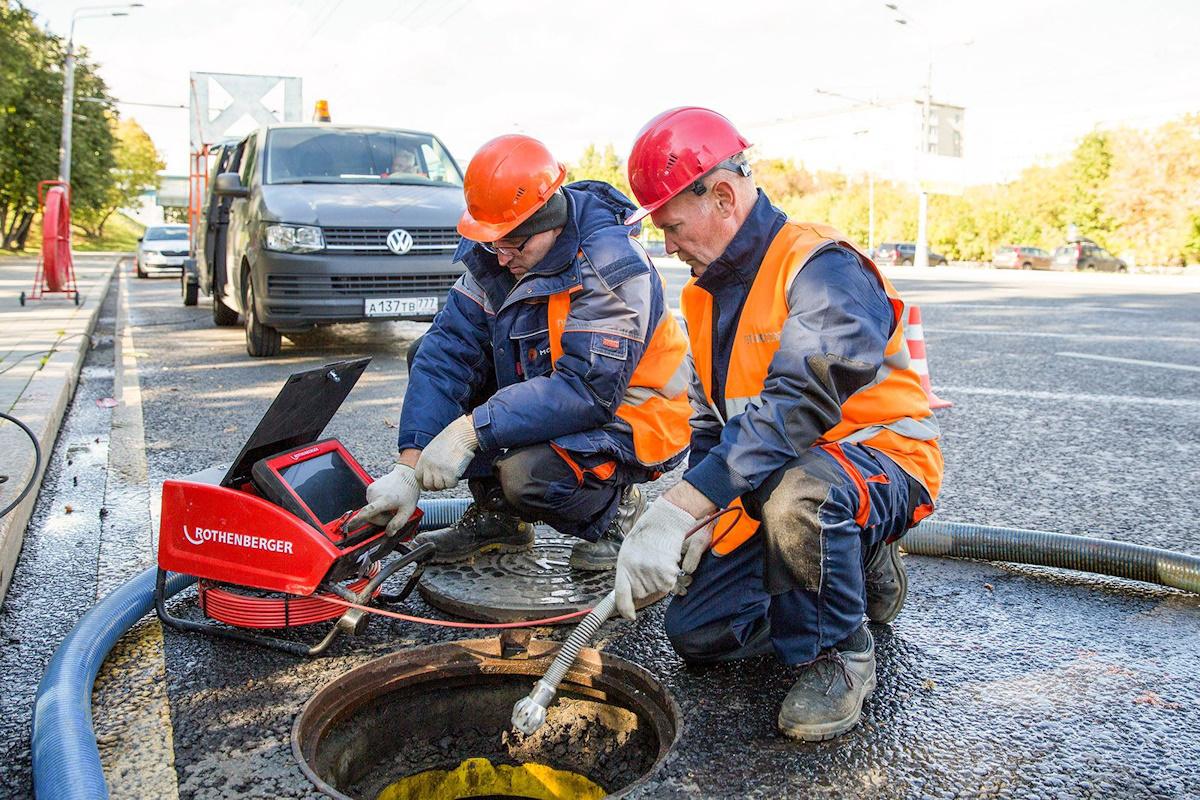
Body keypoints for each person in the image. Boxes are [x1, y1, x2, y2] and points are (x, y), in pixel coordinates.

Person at [613, 107, 943, 741]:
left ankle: (836, 655)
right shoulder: (700, 295)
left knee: (801, 493)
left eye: (674, 227)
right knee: (698, 633)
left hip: (881, 466)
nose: (668, 247)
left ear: (725, 196)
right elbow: (714, 423)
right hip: (776, 477)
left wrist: (680, 507)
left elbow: (797, 403)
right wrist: (702, 523)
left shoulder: (822, 266)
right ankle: (844, 568)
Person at [349, 134, 692, 572]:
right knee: (425, 353)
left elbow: (588, 390)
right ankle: (501, 520)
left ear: (548, 221)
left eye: (515, 245)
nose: (503, 257)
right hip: (558, 392)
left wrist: (470, 431)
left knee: (528, 476)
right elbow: (445, 353)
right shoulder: (499, 253)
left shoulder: (610, 264)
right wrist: (408, 464)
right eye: (495, 243)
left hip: (631, 414)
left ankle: (615, 514)